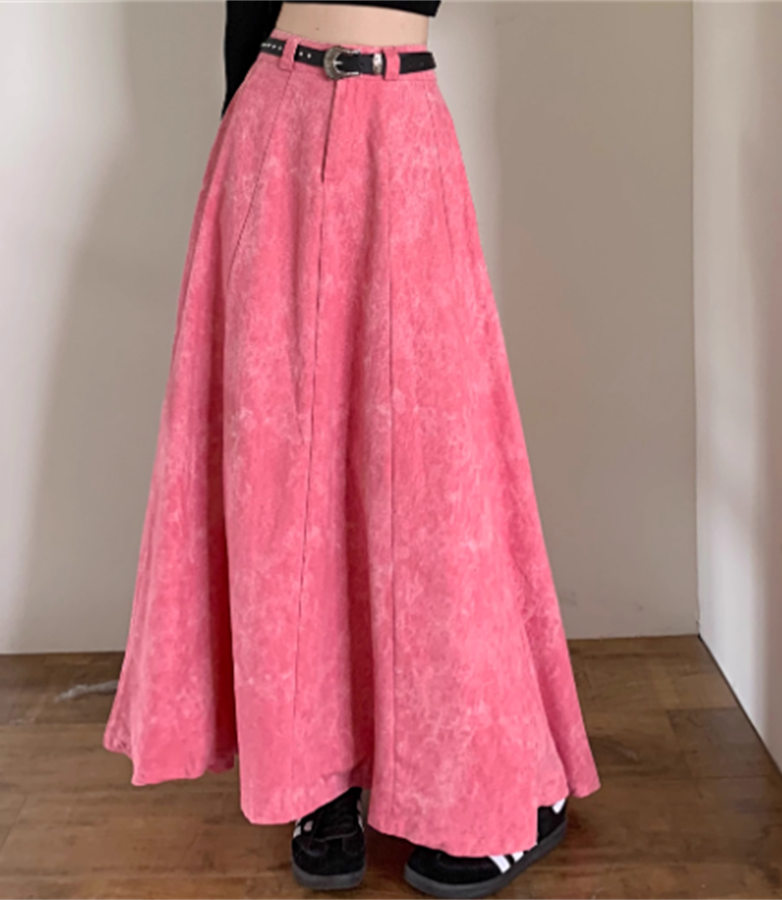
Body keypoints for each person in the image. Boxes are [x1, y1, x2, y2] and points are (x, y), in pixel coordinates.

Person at [103, 2, 602, 898]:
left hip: (399, 128)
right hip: (273, 121)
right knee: (279, 477)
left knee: (438, 482)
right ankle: (318, 774)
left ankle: (493, 781)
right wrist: (251, 161)